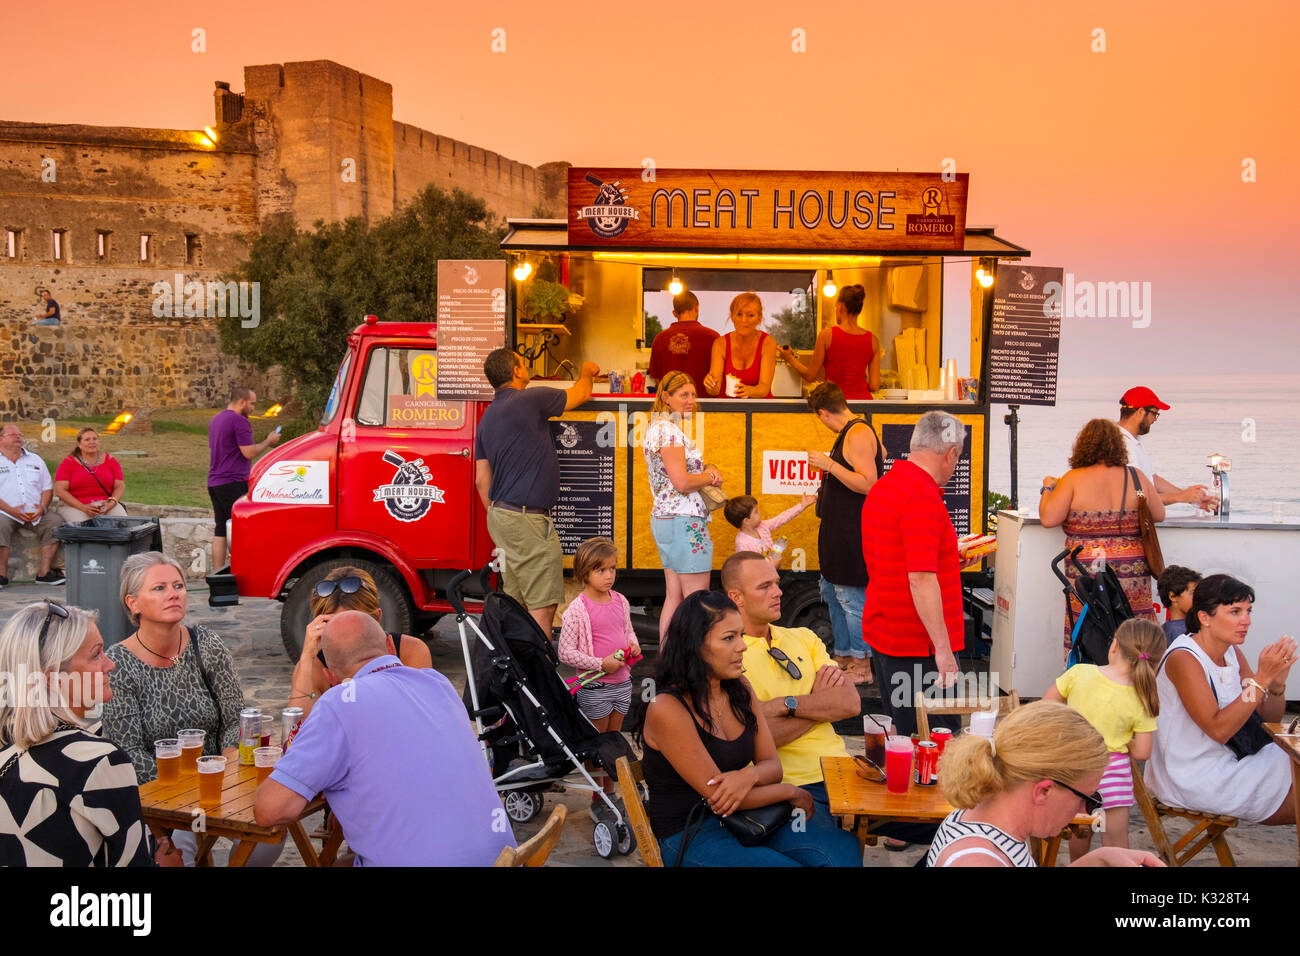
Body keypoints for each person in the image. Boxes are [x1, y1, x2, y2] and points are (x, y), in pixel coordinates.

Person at [255, 611, 515, 866]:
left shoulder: (339, 703)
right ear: (391, 647)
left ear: (331, 677)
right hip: (502, 860)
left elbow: (270, 811)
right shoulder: (438, 684)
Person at [636, 590, 861, 866]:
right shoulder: (666, 708)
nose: (742, 646)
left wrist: (748, 776)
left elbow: (772, 767)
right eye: (729, 638)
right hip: (692, 832)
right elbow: (722, 799)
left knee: (842, 853)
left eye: (741, 635)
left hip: (749, 819)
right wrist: (792, 792)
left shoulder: (739, 688)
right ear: (694, 645)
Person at [100, 551, 275, 866]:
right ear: (133, 603)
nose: (173, 594)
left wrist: (227, 765)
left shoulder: (205, 644)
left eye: (178, 586)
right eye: (159, 588)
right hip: (159, 797)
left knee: (270, 830)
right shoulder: (119, 663)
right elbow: (126, 752)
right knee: (182, 842)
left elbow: (236, 719)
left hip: (218, 783)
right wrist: (183, 791)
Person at [722, 552, 866, 847]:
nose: (778, 592)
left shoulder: (804, 637)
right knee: (840, 859)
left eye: (776, 583)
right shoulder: (727, 655)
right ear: (735, 597)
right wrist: (818, 703)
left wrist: (786, 705)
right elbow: (750, 740)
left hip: (846, 775)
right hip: (790, 787)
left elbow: (850, 703)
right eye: (764, 587)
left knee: (957, 819)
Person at [0, 600, 154, 867]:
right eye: (96, 654)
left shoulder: (7, 746)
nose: (110, 665)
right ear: (53, 678)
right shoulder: (98, 761)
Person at [926, 701, 1165, 867]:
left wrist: (1100, 858)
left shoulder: (983, 816)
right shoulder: (978, 861)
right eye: (1088, 798)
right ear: (1044, 790)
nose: (1085, 812)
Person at [1144, 574, 1296, 825]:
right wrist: (1260, 680)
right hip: (1194, 773)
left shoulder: (1232, 651)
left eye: (1248, 611)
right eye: (1235, 611)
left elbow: (1268, 718)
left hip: (1235, 757)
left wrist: (1276, 685)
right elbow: (1219, 730)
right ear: (1205, 617)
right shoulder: (1184, 658)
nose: (1246, 621)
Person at [862, 411, 977, 735]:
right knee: (934, 746)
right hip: (919, 646)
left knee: (901, 738)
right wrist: (943, 650)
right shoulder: (921, 497)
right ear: (951, 453)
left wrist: (948, 561)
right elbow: (920, 578)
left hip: (887, 634)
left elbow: (896, 558)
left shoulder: (885, 487)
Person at [474, 348, 599, 636]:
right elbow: (579, 394)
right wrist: (588, 371)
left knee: (517, 604)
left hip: (500, 516)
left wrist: (500, 515)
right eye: (522, 362)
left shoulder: (487, 418)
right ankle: (539, 674)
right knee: (542, 607)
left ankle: (520, 674)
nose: (526, 366)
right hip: (527, 518)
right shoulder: (530, 398)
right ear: (516, 371)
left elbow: (482, 480)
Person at [1040, 418, 1165, 661]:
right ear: (1118, 446)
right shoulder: (1136, 477)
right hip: (1133, 573)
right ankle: (1136, 684)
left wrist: (1047, 488)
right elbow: (1159, 513)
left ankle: (1091, 683)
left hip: (1088, 571)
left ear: (1083, 446)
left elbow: (1048, 518)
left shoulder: (1073, 479)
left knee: (1091, 628)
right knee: (1135, 632)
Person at [1043, 619, 1166, 860]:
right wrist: (1122, 740)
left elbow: (1046, 706)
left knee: (1082, 831)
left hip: (1077, 768)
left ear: (1114, 646)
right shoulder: (1143, 698)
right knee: (1115, 840)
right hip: (1114, 774)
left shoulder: (1079, 673)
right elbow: (1143, 752)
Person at [557, 537, 640, 813]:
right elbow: (565, 653)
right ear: (584, 573)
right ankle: (599, 796)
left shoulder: (621, 601)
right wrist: (599, 664)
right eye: (600, 570)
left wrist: (633, 643)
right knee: (597, 744)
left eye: (612, 569)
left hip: (621, 684)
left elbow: (627, 629)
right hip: (596, 687)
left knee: (615, 740)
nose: (609, 576)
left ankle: (610, 790)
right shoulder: (577, 611)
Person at [808, 382, 881, 684]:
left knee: (851, 599)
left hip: (853, 532)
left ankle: (862, 667)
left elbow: (870, 484)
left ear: (823, 413)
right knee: (833, 594)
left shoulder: (859, 432)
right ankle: (844, 655)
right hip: (837, 531)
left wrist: (828, 465)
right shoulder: (852, 433)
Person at [291, 565, 433, 719]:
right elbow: (296, 728)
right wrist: (306, 658)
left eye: (355, 624)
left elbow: (420, 717)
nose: (346, 636)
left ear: (377, 618)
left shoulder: (409, 651)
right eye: (334, 625)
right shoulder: (314, 666)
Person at [643, 371, 722, 641]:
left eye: (693, 394)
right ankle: (691, 667)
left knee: (674, 597)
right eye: (684, 395)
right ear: (666, 397)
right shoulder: (669, 432)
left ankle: (669, 664)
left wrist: (704, 470)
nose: (691, 400)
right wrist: (710, 476)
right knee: (697, 601)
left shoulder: (659, 428)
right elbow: (682, 482)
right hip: (685, 521)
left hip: (666, 519)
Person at [208, 387, 281, 570]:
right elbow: (248, 452)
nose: (253, 408)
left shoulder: (217, 419)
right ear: (242, 401)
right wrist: (268, 442)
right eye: (252, 403)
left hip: (215, 482)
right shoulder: (239, 421)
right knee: (241, 530)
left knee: (221, 529)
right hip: (233, 481)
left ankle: (217, 574)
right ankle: (243, 573)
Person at [1116, 387, 1214, 510]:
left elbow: (1152, 479)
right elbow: (1132, 498)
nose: (1155, 420)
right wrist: (1179, 497)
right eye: (1155, 413)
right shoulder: (1119, 444)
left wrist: (1191, 498)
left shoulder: (1134, 441)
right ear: (1141, 412)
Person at [778, 284, 880, 399]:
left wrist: (789, 358)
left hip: (835, 404)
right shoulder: (873, 340)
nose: (836, 310)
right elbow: (874, 386)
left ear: (841, 306)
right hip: (864, 405)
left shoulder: (827, 335)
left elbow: (810, 376)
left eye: (835, 307)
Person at [0, 422, 66, 586]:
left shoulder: (35, 459)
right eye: (13, 435)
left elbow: (47, 488)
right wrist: (10, 510)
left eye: (20, 435)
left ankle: (44, 573)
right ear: (1, 439)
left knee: (56, 522)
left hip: (36, 512)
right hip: (5, 512)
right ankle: (1, 574)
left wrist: (42, 507)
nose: (18, 437)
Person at [702, 293, 776, 399]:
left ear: (759, 318)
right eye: (739, 314)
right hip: (728, 409)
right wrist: (711, 385)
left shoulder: (768, 342)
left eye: (750, 315)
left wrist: (749, 390)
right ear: (732, 317)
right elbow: (714, 391)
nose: (744, 320)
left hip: (759, 409)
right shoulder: (720, 343)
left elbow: (764, 388)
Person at [53, 427, 127, 524]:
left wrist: (111, 503)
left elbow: (119, 485)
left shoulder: (111, 461)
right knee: (86, 528)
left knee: (122, 523)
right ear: (79, 444)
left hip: (105, 504)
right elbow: (60, 490)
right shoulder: (68, 463)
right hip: (75, 506)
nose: (92, 442)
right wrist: (83, 507)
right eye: (87, 439)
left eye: (95, 439)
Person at [723, 493, 816, 567]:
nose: (759, 513)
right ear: (747, 521)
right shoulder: (742, 543)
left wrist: (802, 505)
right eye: (756, 512)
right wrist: (771, 566)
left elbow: (782, 518)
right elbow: (749, 569)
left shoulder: (762, 527)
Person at [648, 289, 718, 388]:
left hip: (670, 401)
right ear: (697, 308)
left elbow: (657, 378)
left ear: (674, 313)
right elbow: (719, 378)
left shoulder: (659, 339)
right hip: (704, 402)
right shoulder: (713, 337)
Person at [1157, 565, 1202, 642]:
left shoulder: (1195, 623)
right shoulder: (1177, 633)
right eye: (1193, 593)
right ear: (1173, 596)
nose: (1198, 597)